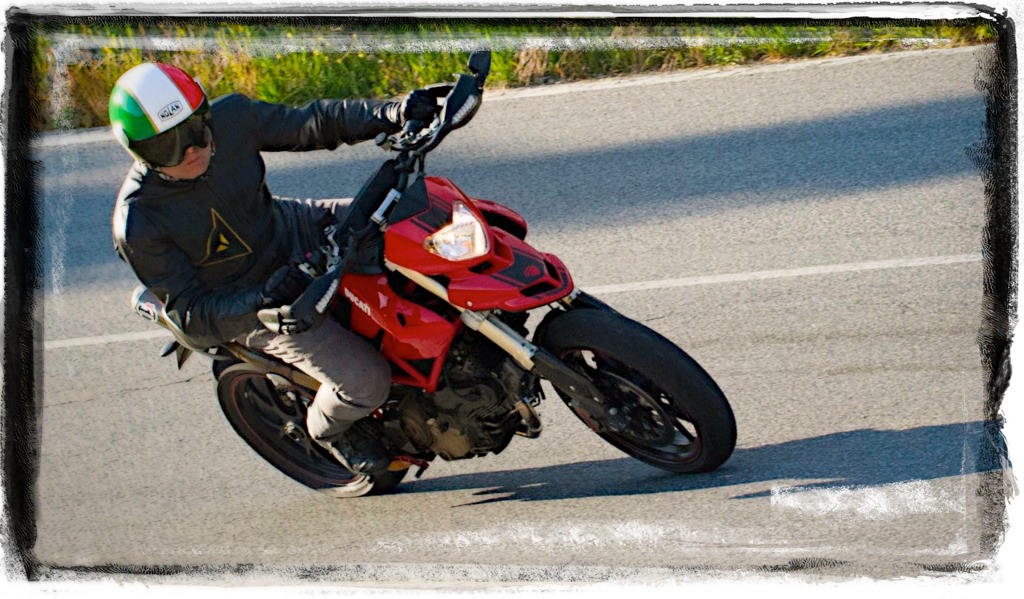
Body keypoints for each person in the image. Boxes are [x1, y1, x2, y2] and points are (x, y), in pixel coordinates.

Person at [109, 62, 440, 474]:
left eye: (193, 131)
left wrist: (389, 113)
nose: (190, 151)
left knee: (422, 218)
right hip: (256, 302)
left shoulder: (232, 118)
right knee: (366, 383)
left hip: (297, 229)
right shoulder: (138, 222)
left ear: (205, 115)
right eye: (166, 147)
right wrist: (261, 300)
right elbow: (192, 316)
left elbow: (313, 123)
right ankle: (329, 431)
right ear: (139, 152)